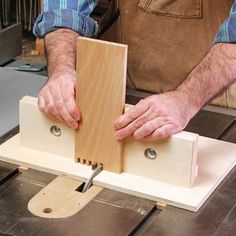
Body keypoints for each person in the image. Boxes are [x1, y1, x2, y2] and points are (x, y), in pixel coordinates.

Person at [33, 0, 236, 141]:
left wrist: (187, 97)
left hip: (218, 102)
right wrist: (62, 67)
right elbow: (64, 7)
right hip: (126, 87)